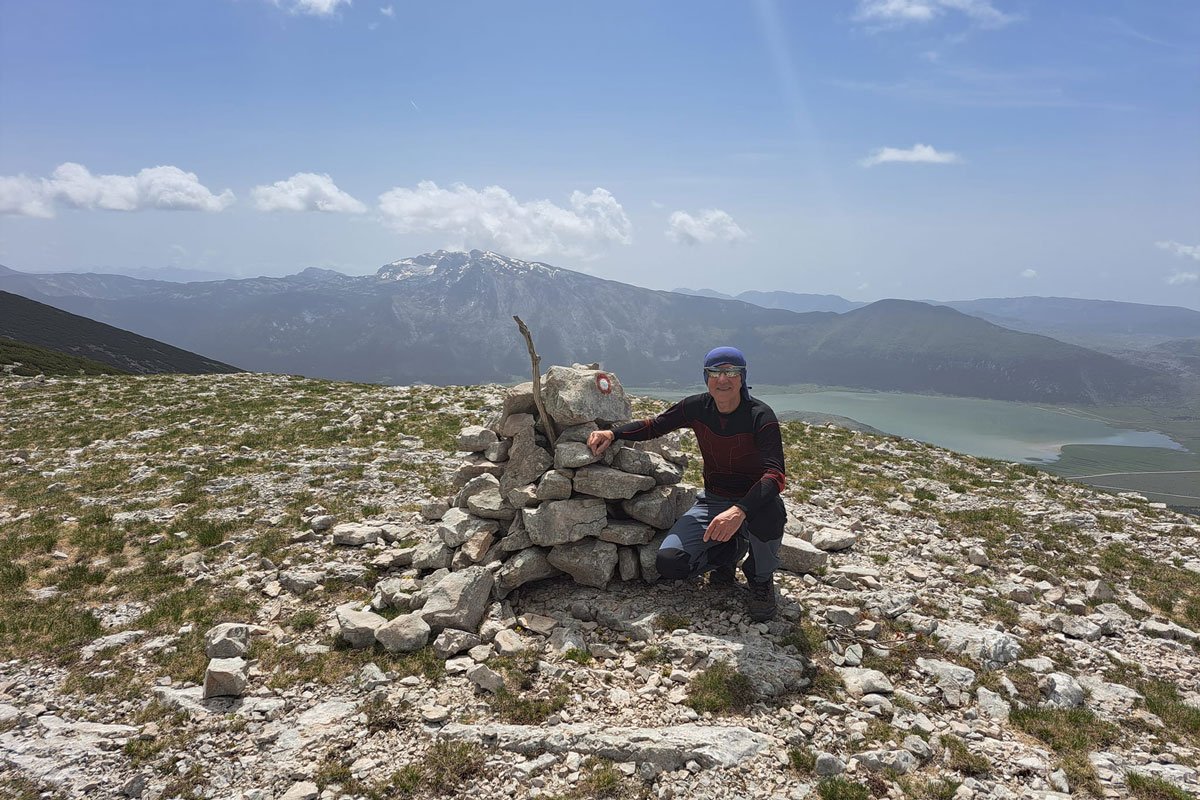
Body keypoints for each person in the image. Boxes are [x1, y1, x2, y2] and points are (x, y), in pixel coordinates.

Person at [587, 346, 786, 621]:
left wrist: (740, 511)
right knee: (670, 563)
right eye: (715, 372)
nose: (723, 379)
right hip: (714, 500)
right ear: (706, 378)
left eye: (731, 372)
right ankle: (729, 553)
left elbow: (775, 475)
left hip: (754, 503)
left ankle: (760, 578)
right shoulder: (696, 407)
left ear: (742, 377)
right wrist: (613, 432)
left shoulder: (760, 416)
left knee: (772, 514)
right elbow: (655, 425)